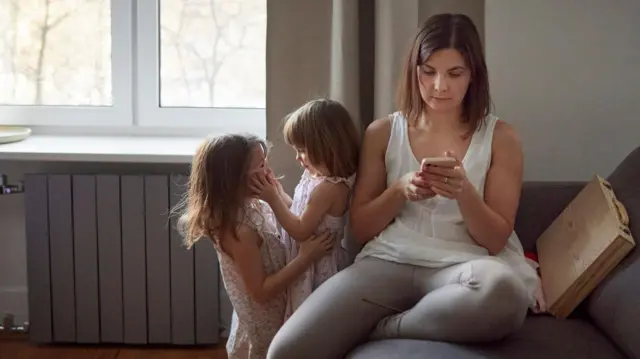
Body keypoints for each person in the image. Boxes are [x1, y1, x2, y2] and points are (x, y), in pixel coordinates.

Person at [267, 13, 541, 359]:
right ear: (414, 70)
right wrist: (399, 190)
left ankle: (389, 327)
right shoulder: (382, 132)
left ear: (474, 75)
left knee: (505, 294)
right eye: (428, 71)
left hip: (463, 266)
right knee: (285, 351)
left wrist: (464, 192)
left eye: (455, 73)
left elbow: (496, 239)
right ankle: (403, 318)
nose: (440, 86)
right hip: (388, 261)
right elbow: (361, 230)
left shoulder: (501, 137)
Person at [175, 133, 335, 359]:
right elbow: (261, 292)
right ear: (234, 178)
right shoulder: (240, 230)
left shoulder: (255, 205)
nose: (268, 170)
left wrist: (277, 196)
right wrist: (306, 258)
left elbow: (292, 218)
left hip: (281, 311)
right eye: (261, 165)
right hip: (265, 326)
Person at [251, 98, 360, 319]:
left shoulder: (330, 188)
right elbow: (298, 211)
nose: (298, 157)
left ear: (325, 147)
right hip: (306, 258)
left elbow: (301, 230)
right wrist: (279, 192)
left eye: (302, 150)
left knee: (311, 319)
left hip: (317, 266)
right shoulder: (314, 177)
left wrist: (272, 200)